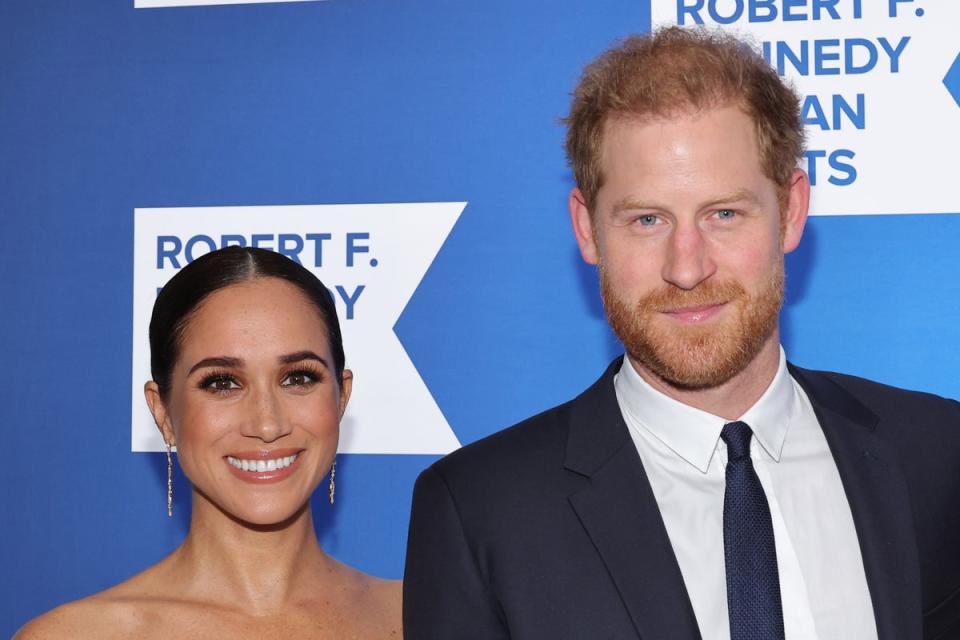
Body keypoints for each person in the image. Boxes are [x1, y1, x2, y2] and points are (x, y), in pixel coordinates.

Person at [403, 27, 960, 640]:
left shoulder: (936, 454)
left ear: (792, 211)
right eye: (647, 219)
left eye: (724, 214)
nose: (687, 268)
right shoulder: (478, 511)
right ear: (587, 230)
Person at [17, 246, 401, 638]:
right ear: (162, 412)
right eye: (222, 383)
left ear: (341, 397)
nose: (267, 424)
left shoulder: (424, 615)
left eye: (298, 378)